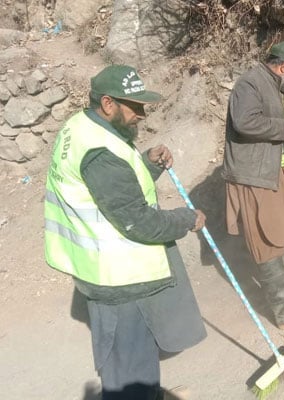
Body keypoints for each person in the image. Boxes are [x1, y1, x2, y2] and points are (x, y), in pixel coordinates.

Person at [44, 64, 207, 400]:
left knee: (132, 364)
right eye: (134, 107)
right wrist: (185, 219)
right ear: (108, 104)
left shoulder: (82, 127)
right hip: (119, 277)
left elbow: (112, 191)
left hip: (104, 269)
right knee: (127, 372)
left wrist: (146, 163)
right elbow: (137, 221)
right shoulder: (101, 153)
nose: (141, 115)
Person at [222, 41, 284, 329]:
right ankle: (283, 310)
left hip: (273, 173)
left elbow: (281, 143)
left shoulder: (275, 88)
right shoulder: (250, 83)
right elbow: (245, 122)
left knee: (279, 231)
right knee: (266, 239)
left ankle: (282, 290)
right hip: (254, 177)